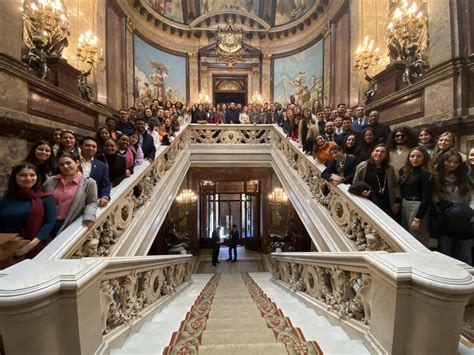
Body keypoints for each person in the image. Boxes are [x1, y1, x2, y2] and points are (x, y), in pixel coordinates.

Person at [0, 163, 56, 262]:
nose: (28, 178)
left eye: (32, 175)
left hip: (32, 246)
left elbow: (49, 223)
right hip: (5, 245)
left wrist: (29, 246)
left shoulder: (46, 198)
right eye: (22, 175)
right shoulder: (5, 198)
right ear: (15, 178)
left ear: (37, 177)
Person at [43, 153, 98, 238]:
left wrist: (89, 216)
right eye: (61, 164)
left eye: (68, 163)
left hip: (68, 222)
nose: (65, 166)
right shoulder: (51, 181)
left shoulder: (89, 183)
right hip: (47, 222)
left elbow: (92, 202)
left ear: (77, 163)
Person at [433, 149, 472, 264]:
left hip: (465, 219)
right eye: (449, 161)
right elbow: (434, 199)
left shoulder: (464, 178)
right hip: (446, 220)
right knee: (445, 253)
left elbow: (471, 198)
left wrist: (471, 214)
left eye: (455, 162)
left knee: (464, 253)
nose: (452, 165)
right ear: (443, 161)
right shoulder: (435, 178)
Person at [353, 144, 401, 218]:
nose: (379, 153)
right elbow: (355, 183)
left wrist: (397, 202)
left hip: (387, 203)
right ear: (372, 153)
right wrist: (361, 191)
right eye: (377, 151)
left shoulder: (389, 168)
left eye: (382, 152)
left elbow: (395, 185)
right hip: (369, 201)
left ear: (386, 155)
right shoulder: (363, 166)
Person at [399, 147, 433, 246]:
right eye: (412, 156)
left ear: (424, 158)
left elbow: (427, 197)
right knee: (406, 236)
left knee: (417, 237)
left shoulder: (426, 174)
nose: (415, 159)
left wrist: (418, 218)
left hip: (417, 206)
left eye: (419, 156)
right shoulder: (405, 172)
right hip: (405, 204)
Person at [79, 137, 111, 207]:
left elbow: (106, 184)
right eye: (87, 145)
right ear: (80, 146)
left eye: (94, 146)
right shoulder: (72, 161)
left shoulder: (102, 166)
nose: (91, 148)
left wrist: (105, 197)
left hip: (91, 201)